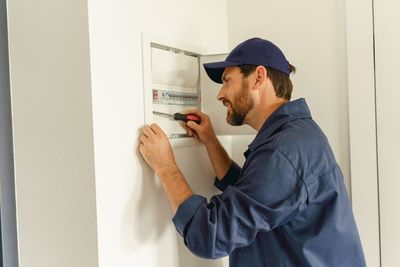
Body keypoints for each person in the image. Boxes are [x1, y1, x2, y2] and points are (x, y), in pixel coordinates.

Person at [138, 37, 366, 267]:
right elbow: (257, 197)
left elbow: (210, 236)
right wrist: (211, 142)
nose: (220, 94)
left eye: (227, 81)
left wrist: (166, 167)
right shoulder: (296, 135)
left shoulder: (283, 151)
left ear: (258, 77)